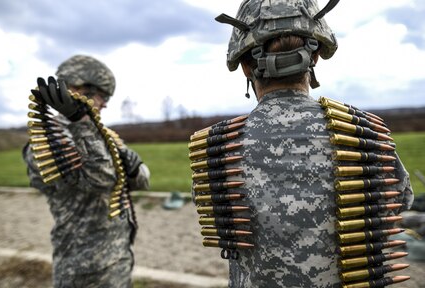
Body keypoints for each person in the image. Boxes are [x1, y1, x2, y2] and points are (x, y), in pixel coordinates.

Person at [192, 1, 414, 287]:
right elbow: (398, 201)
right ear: (316, 56)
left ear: (246, 67)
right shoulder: (366, 134)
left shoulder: (218, 147)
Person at [22, 55, 150, 287]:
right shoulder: (46, 140)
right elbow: (100, 180)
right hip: (83, 267)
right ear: (78, 89)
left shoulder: (99, 133)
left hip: (118, 256)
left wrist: (133, 171)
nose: (105, 103)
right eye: (102, 95)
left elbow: (142, 179)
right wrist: (80, 120)